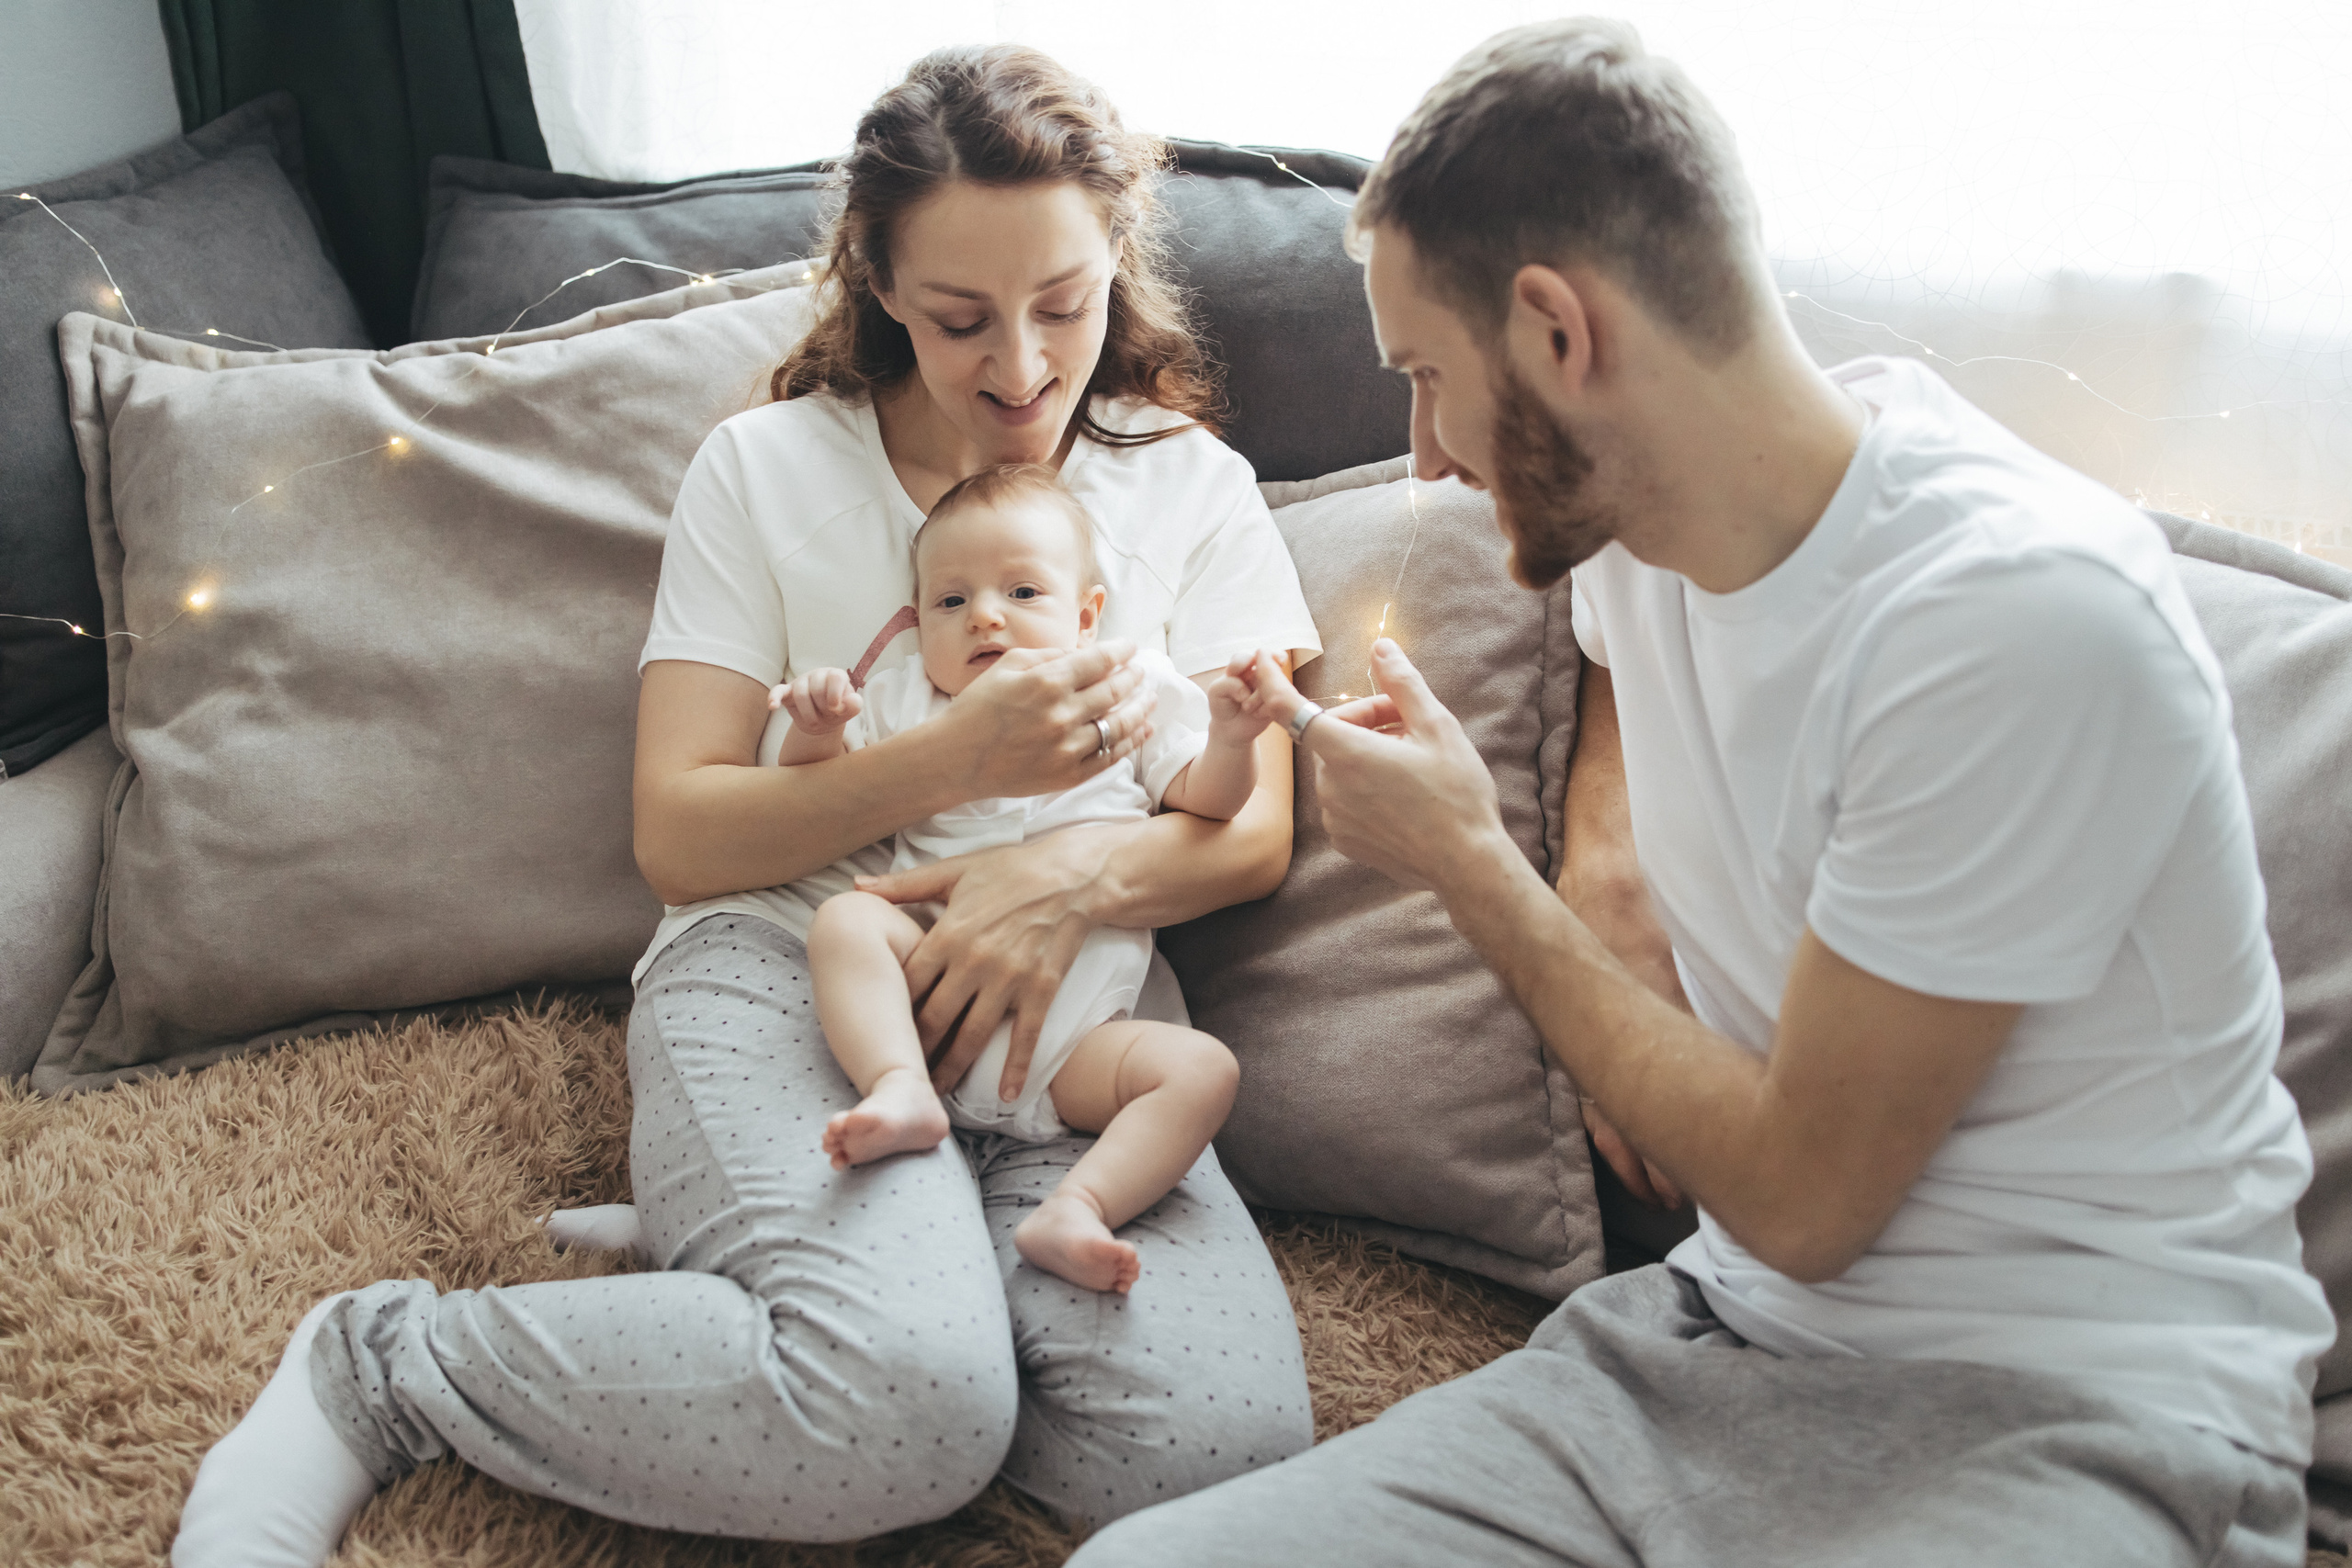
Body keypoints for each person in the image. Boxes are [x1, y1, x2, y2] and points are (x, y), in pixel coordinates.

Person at [1076, 19, 2333, 1568]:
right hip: (1717, 1335)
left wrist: (1476, 865)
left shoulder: (2013, 624)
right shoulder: (1656, 511)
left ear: (1557, 331)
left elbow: (1811, 1199)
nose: (1421, 458)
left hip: (2074, 1401)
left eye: (1426, 379)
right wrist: (1603, 862)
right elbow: (1630, 652)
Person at [172, 43, 1318, 1568]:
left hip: (1073, 1001)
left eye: (1067, 303)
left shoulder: (1187, 485)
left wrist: (1068, 884)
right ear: (882, 284)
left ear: (1120, 261)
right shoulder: (765, 472)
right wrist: (955, 761)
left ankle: (820, 1280)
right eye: (965, 318)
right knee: (908, 1407)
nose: (1027, 369)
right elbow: (683, 833)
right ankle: (380, 1366)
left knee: (1218, 1455)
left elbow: (1250, 830)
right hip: (791, 956)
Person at [780, 463, 1275, 1294]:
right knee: (845, 923)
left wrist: (1231, 738)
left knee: (1203, 1071)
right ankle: (899, 1087)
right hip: (928, 983)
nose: (984, 615)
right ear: (917, 623)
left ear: (1087, 619)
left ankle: (1077, 1205)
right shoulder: (907, 696)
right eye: (950, 601)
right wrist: (819, 728)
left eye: (1021, 591)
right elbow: (821, 798)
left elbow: (1211, 802)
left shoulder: (1127, 686)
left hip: (1081, 1046)